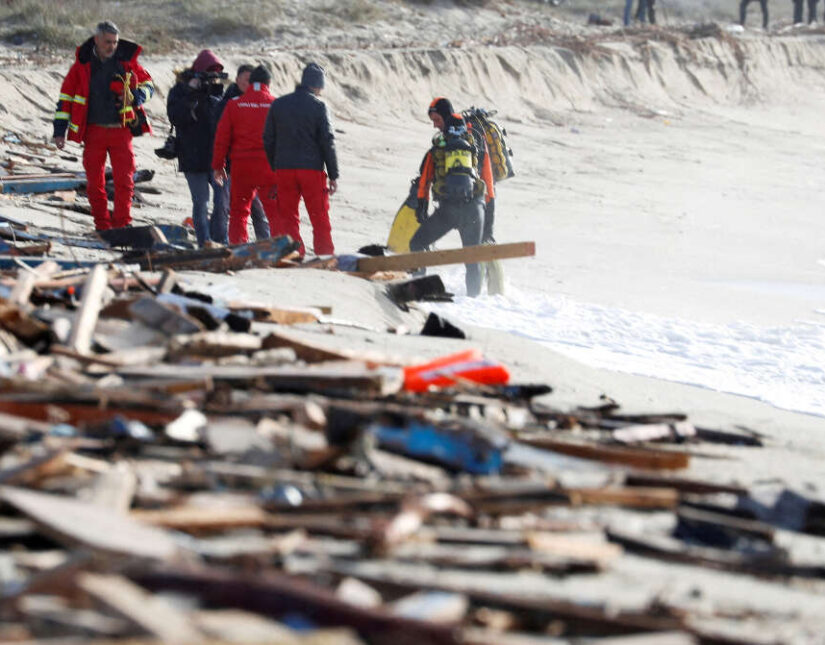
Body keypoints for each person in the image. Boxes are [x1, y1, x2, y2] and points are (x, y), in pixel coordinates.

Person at [52, 20, 153, 231]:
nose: (112, 46)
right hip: (93, 132)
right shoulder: (81, 66)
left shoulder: (126, 62)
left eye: (115, 42)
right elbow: (65, 100)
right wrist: (59, 131)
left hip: (121, 131)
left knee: (125, 182)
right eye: (108, 42)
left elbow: (149, 84)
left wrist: (138, 95)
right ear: (96, 40)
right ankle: (102, 226)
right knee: (94, 183)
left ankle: (122, 224)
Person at [409, 98, 495, 298]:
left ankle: (419, 291)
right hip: (475, 209)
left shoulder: (439, 145)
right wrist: (488, 222)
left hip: (448, 211)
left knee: (418, 244)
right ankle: (475, 303)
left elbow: (425, 180)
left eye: (437, 119)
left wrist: (421, 207)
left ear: (446, 117)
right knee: (472, 259)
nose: (434, 124)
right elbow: (489, 185)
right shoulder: (476, 144)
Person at [263, 63, 338, 257]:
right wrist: (333, 174)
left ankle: (295, 253)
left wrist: (275, 165)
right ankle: (325, 254)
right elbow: (327, 141)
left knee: (288, 217)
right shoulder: (319, 106)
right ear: (318, 85)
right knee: (319, 217)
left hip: (284, 169)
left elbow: (268, 138)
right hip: (311, 170)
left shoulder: (278, 104)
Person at [212, 65, 278, 245]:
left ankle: (238, 246)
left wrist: (219, 166)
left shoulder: (234, 105)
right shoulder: (276, 105)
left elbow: (221, 138)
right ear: (268, 83)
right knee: (275, 213)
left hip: (242, 167)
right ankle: (278, 247)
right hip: (268, 168)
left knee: (239, 212)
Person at [166, 49, 226, 247]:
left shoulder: (217, 92)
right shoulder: (180, 91)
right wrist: (192, 92)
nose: (212, 80)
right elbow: (176, 116)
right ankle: (204, 242)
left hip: (216, 157)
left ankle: (220, 240)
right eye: (209, 74)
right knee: (201, 204)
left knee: (222, 203)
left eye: (215, 75)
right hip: (192, 157)